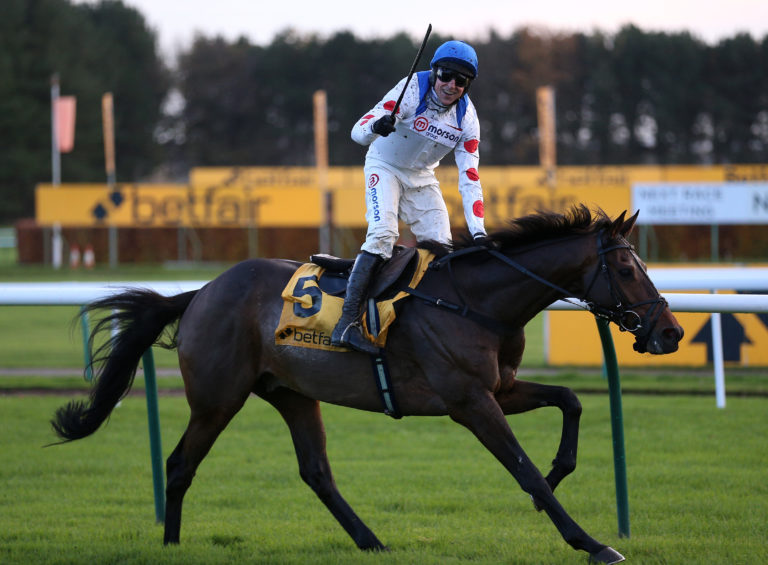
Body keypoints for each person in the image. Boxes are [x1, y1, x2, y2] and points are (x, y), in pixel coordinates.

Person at [331, 40, 488, 354]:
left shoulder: (467, 119)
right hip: (384, 165)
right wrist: (379, 125)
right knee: (383, 235)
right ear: (434, 70)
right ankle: (346, 323)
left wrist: (479, 232)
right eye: (446, 75)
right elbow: (358, 132)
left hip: (422, 177)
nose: (451, 85)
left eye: (462, 81)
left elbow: (470, 179)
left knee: (442, 250)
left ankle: (429, 325)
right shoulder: (409, 91)